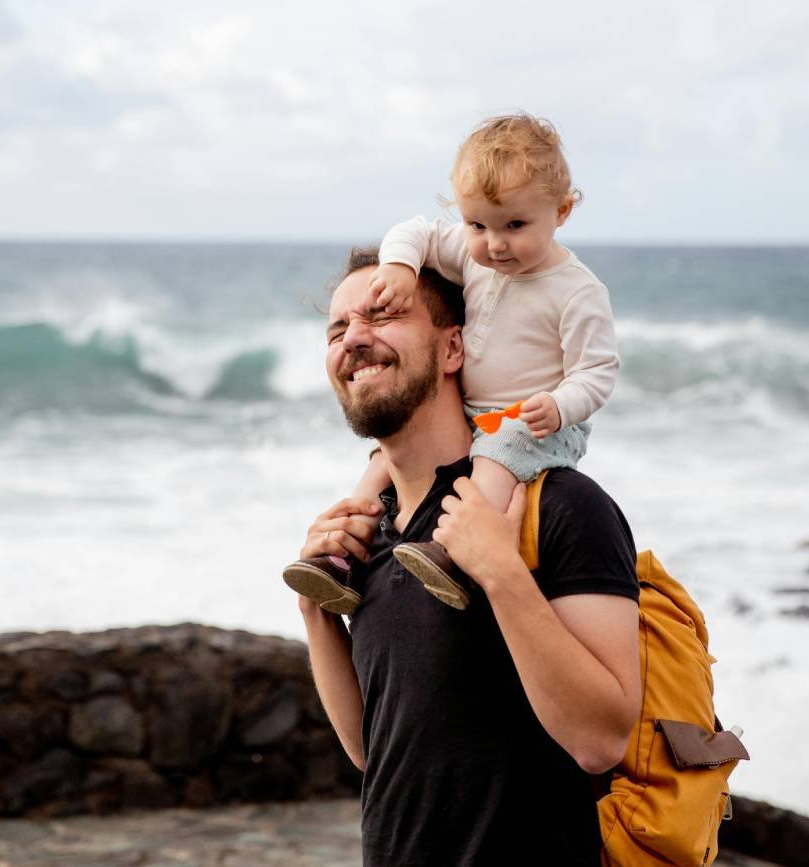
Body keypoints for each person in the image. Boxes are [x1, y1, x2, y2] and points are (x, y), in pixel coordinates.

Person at [295, 247, 640, 865]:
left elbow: (602, 739)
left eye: (381, 314)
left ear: (454, 349)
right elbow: (373, 753)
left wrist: (501, 573)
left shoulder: (557, 505)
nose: (354, 339)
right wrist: (314, 612)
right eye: (337, 329)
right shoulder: (370, 533)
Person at [283, 113, 620, 612]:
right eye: (477, 224)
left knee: (497, 451)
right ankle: (344, 555)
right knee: (382, 463)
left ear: (563, 211)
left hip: (535, 420)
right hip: (476, 411)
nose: (495, 244)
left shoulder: (577, 291)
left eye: (515, 225)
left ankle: (451, 555)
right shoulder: (472, 255)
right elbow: (413, 231)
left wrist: (560, 404)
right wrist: (399, 267)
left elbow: (597, 370)